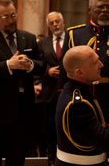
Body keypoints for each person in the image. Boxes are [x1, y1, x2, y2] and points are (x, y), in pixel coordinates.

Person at [0, 0, 44, 166]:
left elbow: (41, 65)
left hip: (22, 111)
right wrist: (8, 65)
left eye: (13, 15)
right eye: (6, 17)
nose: (11, 20)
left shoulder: (28, 38)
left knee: (17, 159)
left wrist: (30, 65)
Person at [58, 0, 109, 123]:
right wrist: (62, 96)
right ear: (89, 10)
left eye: (108, 7)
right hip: (80, 95)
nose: (105, 10)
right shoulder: (74, 34)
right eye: (100, 7)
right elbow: (63, 71)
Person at [55, 45, 109, 166]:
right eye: (95, 63)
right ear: (80, 72)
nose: (101, 65)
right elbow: (106, 142)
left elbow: (93, 133)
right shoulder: (76, 104)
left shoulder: (79, 90)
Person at [38, 11, 66, 164]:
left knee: (66, 126)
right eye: (51, 23)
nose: (55, 24)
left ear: (63, 22)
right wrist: (47, 71)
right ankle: (51, 158)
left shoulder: (70, 39)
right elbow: (39, 64)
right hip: (49, 93)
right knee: (49, 128)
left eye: (57, 21)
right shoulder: (43, 43)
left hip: (68, 90)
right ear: (48, 26)